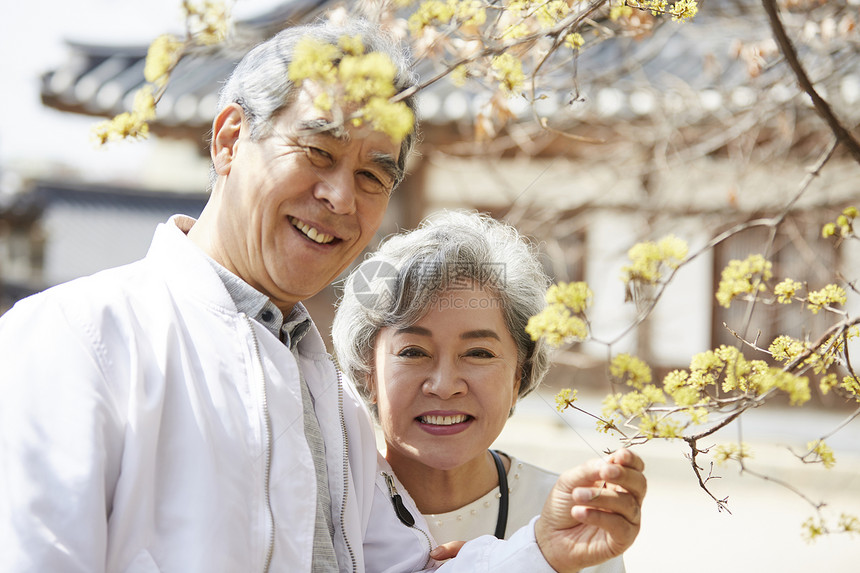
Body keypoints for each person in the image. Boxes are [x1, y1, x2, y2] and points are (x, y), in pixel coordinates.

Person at [0, 17, 642, 573]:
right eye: (317, 151)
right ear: (229, 141)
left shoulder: (330, 399)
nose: (340, 197)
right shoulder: (81, 338)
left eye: (371, 175)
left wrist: (541, 549)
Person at [334, 210, 644, 572]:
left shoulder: (571, 517)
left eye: (479, 353)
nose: (445, 385)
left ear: (519, 376)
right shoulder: (326, 507)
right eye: (413, 352)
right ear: (366, 371)